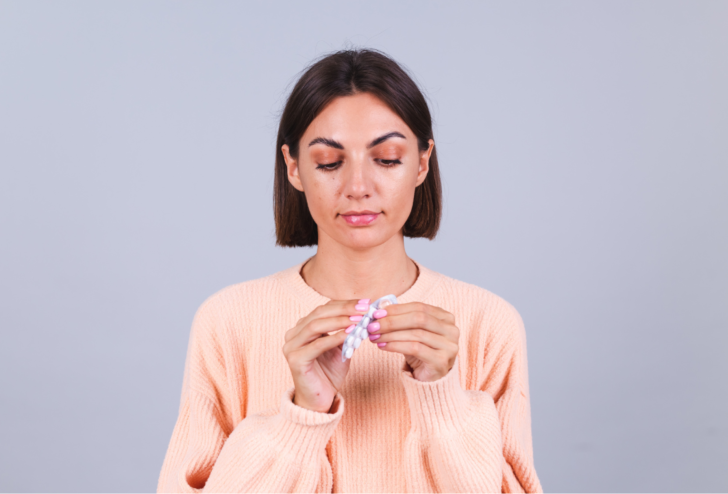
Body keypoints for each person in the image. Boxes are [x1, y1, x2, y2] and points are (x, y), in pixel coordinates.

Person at [157, 48, 543, 493]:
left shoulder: (489, 324)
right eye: (328, 162)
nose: (358, 187)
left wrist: (443, 401)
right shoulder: (226, 322)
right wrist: (302, 417)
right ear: (294, 168)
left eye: (387, 158)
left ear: (421, 163)